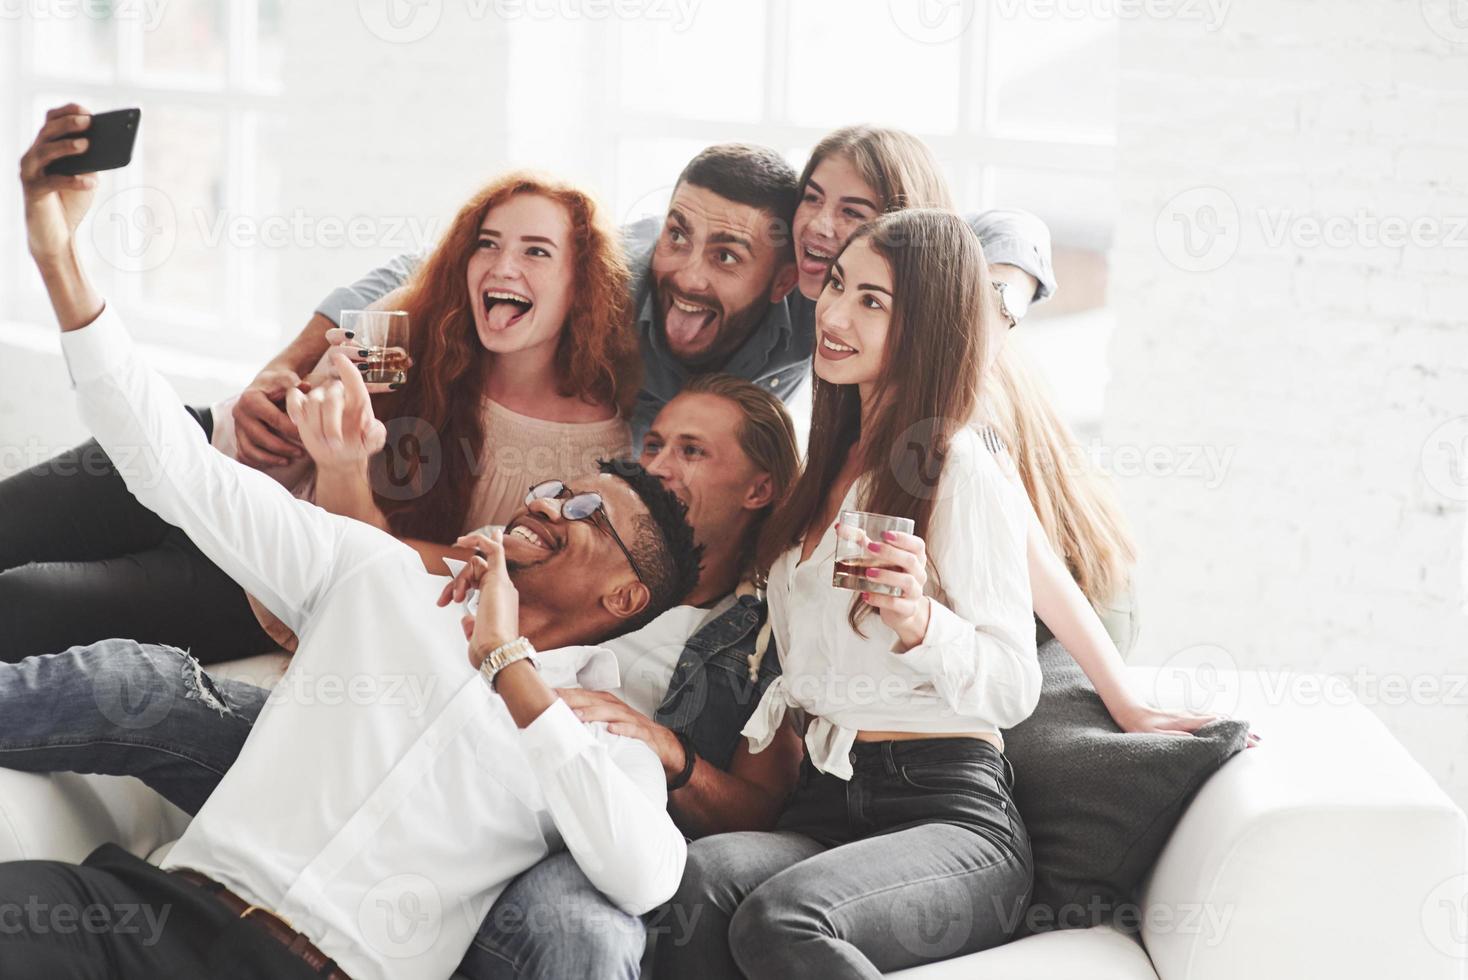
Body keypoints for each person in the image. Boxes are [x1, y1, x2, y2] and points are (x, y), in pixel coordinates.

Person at [9, 105, 700, 978]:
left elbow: (647, 873)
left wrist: (509, 668)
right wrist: (59, 258)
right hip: (154, 917)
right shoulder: (377, 574)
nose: (552, 504)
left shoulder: (599, 737)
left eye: (587, 512)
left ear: (626, 597)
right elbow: (171, 465)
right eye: (560, 490)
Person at [0, 371, 806, 979]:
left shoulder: (756, 629)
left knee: (585, 937)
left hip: (543, 816)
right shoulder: (438, 579)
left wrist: (522, 674)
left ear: (760, 487)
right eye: (654, 443)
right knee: (146, 686)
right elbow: (221, 493)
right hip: (222, 878)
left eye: (690, 453)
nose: (660, 465)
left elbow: (659, 861)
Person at [0, 164, 640, 663]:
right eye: (488, 244)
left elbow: (447, 572)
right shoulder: (421, 324)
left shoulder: (586, 459)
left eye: (536, 252)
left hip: (259, 577)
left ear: (581, 283)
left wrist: (345, 466)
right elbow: (307, 397)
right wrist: (283, 401)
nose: (501, 265)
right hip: (216, 456)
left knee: (22, 602)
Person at [658, 208, 1039, 979]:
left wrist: (920, 619)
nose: (832, 314)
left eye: (873, 301)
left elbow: (1014, 687)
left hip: (946, 810)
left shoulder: (957, 465)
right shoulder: (821, 473)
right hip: (829, 802)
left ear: (926, 324)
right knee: (692, 885)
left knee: (784, 919)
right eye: (836, 285)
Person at [784, 124, 1231, 739]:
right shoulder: (849, 347)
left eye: (852, 211)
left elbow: (1033, 558)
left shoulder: (953, 392)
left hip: (1075, 595)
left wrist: (1126, 701)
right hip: (978, 597)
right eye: (812, 197)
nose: (821, 224)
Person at [232, 142, 1056, 454]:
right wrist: (284, 370)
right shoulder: (618, 268)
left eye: (727, 255)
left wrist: (995, 301)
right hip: (462, 434)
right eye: (815, 202)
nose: (688, 275)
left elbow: (1003, 225)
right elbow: (425, 274)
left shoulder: (827, 305)